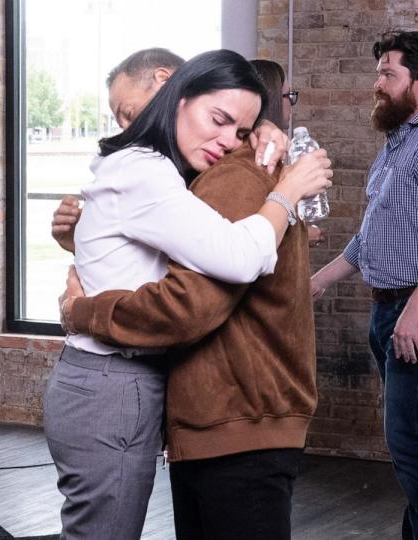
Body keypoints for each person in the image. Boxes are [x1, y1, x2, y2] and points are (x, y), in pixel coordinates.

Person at [45, 49, 331, 540]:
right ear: (177, 95)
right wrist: (286, 192)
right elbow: (231, 265)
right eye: (218, 120)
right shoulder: (151, 170)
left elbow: (150, 258)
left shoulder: (185, 171)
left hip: (147, 390)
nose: (226, 140)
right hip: (115, 383)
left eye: (240, 131)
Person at [309, 31, 418, 539]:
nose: (377, 83)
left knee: (407, 435)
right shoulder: (399, 141)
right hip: (390, 307)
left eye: (389, 74)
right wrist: (317, 281)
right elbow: (375, 236)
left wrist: (416, 310)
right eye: (378, 73)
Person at [52, 49, 293, 251]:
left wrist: (265, 128)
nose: (127, 128)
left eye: (128, 113)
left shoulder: (230, 158)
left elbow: (237, 261)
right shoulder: (144, 166)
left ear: (166, 82)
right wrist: (84, 238)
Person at [249, 59, 325, 248]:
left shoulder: (273, 147)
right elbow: (247, 237)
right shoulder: (255, 157)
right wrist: (299, 238)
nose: (291, 104)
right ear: (271, 98)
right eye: (288, 96)